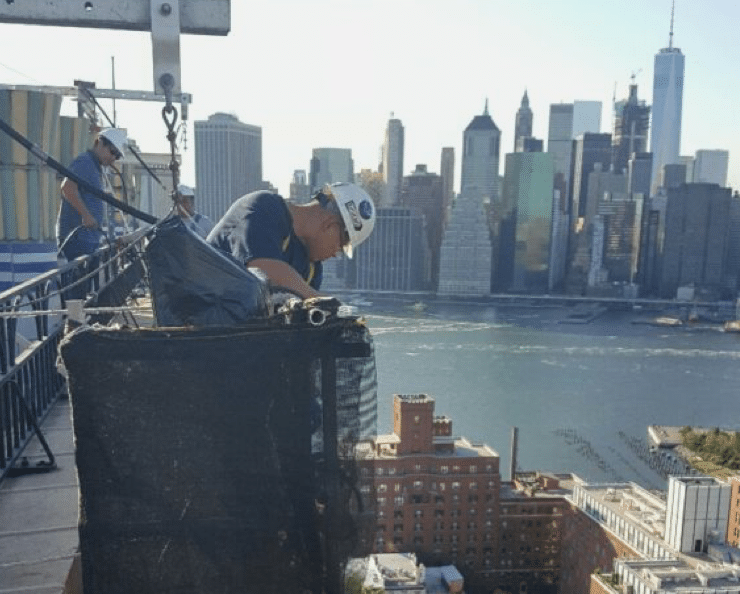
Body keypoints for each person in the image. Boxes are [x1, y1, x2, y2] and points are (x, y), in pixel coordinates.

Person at [208, 182, 375, 299]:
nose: (335, 253)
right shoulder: (265, 207)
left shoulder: (311, 271)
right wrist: (316, 298)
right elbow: (262, 269)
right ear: (330, 225)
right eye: (341, 245)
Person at [56, 128, 128, 261]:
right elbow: (67, 187)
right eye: (112, 152)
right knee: (81, 280)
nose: (113, 158)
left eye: (117, 156)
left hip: (88, 239)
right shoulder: (85, 162)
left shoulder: (95, 168)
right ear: (99, 143)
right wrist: (86, 216)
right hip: (78, 239)